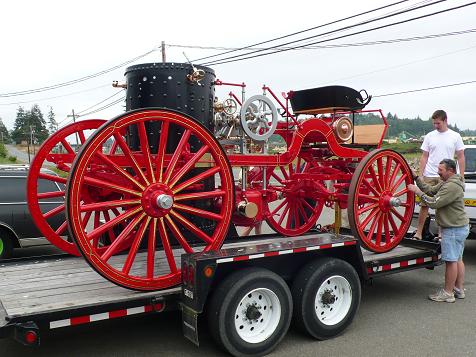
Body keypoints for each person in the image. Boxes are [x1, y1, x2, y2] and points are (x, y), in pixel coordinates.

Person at [408, 159, 469, 302]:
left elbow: (434, 203)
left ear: (451, 171)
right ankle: (459, 290)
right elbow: (430, 190)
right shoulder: (448, 182)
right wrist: (417, 178)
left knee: (450, 261)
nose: (438, 172)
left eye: (441, 170)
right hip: (458, 227)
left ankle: (448, 293)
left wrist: (417, 192)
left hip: (453, 228)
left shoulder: (451, 186)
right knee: (458, 259)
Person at [413, 110, 465, 240]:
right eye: (434, 123)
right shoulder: (430, 136)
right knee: (424, 205)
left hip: (446, 176)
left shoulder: (455, 136)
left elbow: (460, 156)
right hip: (430, 174)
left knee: (443, 205)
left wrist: (461, 175)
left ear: (445, 121)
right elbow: (424, 156)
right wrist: (420, 174)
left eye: (438, 123)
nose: (436, 126)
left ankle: (441, 234)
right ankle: (418, 232)